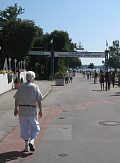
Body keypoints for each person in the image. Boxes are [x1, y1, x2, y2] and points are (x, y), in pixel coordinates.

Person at [13, 71, 43, 152]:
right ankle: (32, 142)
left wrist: (16, 109)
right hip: (31, 110)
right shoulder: (35, 87)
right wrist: (40, 110)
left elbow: (16, 98)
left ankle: (26, 146)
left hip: (22, 110)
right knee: (35, 127)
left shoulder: (21, 87)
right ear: (33, 78)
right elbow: (39, 100)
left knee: (24, 128)